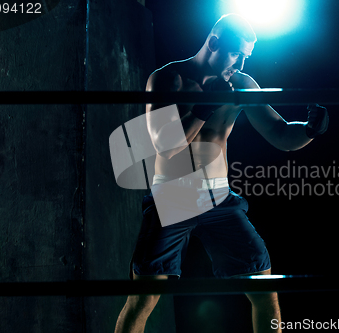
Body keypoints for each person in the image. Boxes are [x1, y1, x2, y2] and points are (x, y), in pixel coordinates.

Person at [115, 13, 328, 333]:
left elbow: (280, 134)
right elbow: (164, 147)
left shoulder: (241, 84)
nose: (240, 64)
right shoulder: (168, 79)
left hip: (218, 196)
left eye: (246, 56)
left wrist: (309, 131)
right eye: (235, 53)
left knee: (264, 291)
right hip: (172, 196)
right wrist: (204, 107)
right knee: (143, 299)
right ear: (213, 43)